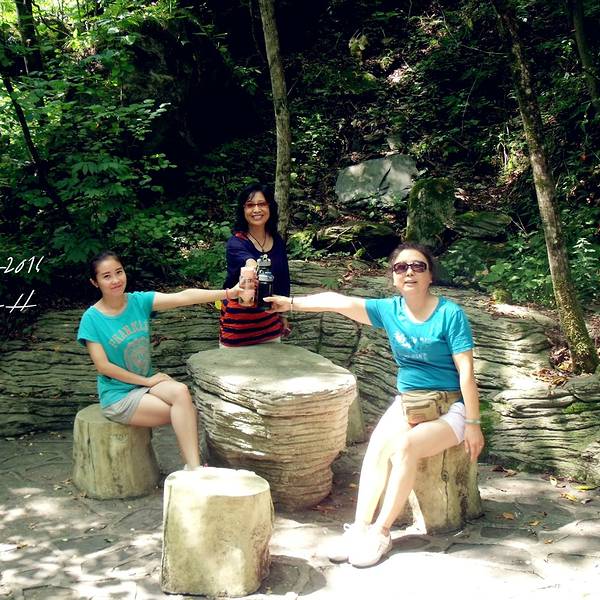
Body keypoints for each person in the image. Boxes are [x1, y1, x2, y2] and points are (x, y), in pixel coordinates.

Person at [265, 242, 485, 567]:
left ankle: (381, 533)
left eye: (418, 266)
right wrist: (291, 303)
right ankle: (360, 528)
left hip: (451, 406)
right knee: (377, 449)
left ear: (430, 275)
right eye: (401, 267)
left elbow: (466, 372)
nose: (409, 272)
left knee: (405, 448)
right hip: (410, 402)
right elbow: (339, 302)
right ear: (393, 277)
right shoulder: (389, 310)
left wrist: (473, 424)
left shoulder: (449, 314)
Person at [77, 250, 240, 470]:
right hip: (118, 395)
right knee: (186, 411)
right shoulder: (91, 318)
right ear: (94, 282)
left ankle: (193, 468)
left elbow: (183, 297)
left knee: (181, 392)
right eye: (106, 276)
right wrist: (147, 381)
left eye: (119, 272)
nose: (115, 280)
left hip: (147, 385)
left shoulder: (138, 302)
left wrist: (229, 293)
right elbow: (103, 366)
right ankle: (194, 467)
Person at [219, 183, 291, 347]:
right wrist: (253, 268)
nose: (256, 209)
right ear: (243, 210)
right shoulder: (236, 242)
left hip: (269, 324)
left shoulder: (277, 240)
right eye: (250, 205)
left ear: (269, 207)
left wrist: (283, 315)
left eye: (262, 204)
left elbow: (283, 279)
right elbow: (248, 261)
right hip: (237, 325)